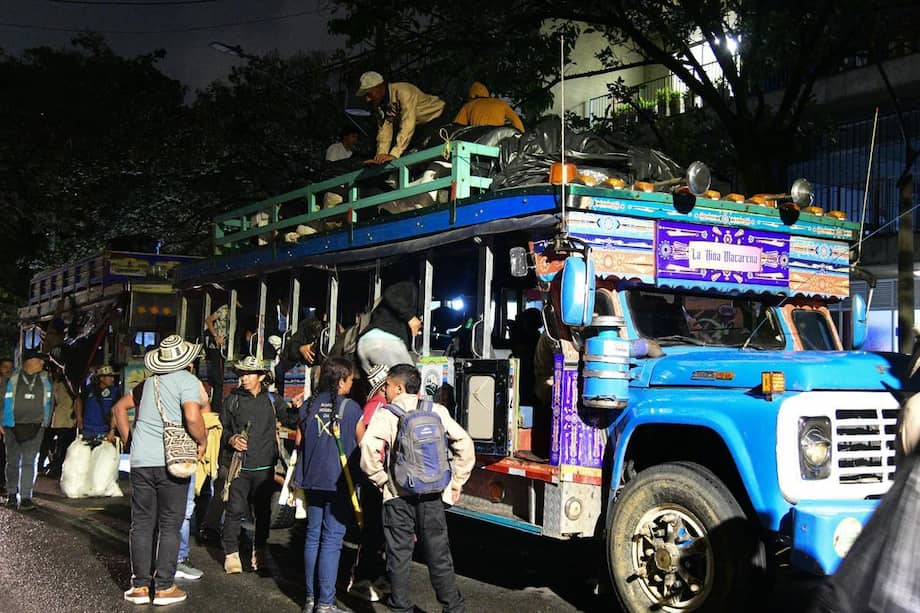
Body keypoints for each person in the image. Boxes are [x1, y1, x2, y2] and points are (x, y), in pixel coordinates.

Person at [359, 364, 475, 613]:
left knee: (399, 556)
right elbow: (465, 443)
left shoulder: (387, 413)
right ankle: (453, 607)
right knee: (439, 555)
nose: (385, 392)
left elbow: (368, 447)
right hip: (432, 495)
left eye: (388, 386)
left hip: (398, 496)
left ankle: (400, 607)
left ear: (399, 386)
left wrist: (380, 479)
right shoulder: (436, 410)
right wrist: (457, 482)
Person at [114, 335, 207, 606]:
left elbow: (119, 408)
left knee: (141, 523)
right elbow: (192, 416)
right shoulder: (188, 381)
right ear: (186, 360)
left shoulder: (146, 385)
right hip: (173, 461)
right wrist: (202, 441)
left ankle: (140, 587)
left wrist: (131, 440)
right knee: (169, 523)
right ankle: (164, 587)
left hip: (141, 461)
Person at [295, 356, 363, 613]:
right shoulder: (352, 409)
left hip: (311, 479)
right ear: (342, 381)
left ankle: (311, 599)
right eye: (350, 380)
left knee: (313, 536)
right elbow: (363, 445)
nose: (352, 384)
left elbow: (300, 442)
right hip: (338, 483)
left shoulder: (309, 405)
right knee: (332, 540)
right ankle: (325, 603)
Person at [220, 356, 289, 575]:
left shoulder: (273, 401)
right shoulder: (232, 401)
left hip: (265, 468)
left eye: (249, 374)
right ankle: (231, 554)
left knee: (263, 513)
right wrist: (231, 439)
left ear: (261, 376)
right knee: (234, 510)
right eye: (241, 374)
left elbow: (289, 421)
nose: (244, 378)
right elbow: (223, 431)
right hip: (240, 468)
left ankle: (259, 551)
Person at [350, 363, 391, 602]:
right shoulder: (376, 406)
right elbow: (365, 442)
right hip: (376, 477)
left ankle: (377, 578)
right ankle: (364, 579)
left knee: (379, 530)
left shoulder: (376, 405)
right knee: (374, 529)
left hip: (378, 477)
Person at [356, 71, 446, 164]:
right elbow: (384, 131)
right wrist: (380, 156)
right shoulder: (381, 106)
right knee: (409, 153)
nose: (367, 99)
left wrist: (394, 154)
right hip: (420, 125)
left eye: (369, 94)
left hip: (438, 117)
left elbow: (407, 123)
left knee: (421, 150)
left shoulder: (403, 91)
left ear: (380, 86)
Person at [1, 349, 53, 511]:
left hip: (36, 427)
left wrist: (45, 422)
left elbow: (50, 402)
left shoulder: (45, 379)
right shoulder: (10, 379)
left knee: (30, 462)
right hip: (11, 427)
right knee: (12, 462)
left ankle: (25, 498)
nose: (43, 363)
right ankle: (11, 494)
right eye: (40, 360)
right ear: (30, 361)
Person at [356, 281, 422, 374]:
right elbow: (390, 292)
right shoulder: (411, 288)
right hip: (385, 342)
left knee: (382, 387)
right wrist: (410, 317)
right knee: (410, 381)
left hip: (365, 344)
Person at [39, 367, 79, 478]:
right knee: (61, 445)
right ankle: (55, 467)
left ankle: (52, 466)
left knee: (57, 444)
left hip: (61, 418)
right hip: (62, 418)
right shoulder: (65, 384)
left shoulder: (57, 384)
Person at [453, 81, 524, 132]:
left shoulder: (468, 105)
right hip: (496, 137)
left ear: (472, 95)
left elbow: (457, 126)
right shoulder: (501, 103)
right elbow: (516, 120)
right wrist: (521, 134)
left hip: (477, 137)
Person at [77, 365, 119, 442]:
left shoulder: (115, 392)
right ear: (101, 378)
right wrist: (79, 417)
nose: (112, 379)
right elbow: (79, 401)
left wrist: (112, 430)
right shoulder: (88, 389)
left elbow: (115, 412)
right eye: (110, 376)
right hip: (87, 430)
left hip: (104, 431)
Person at [0, 356, 14, 497]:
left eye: (10, 367)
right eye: (5, 367)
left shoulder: (15, 383)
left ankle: (4, 483)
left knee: (6, 456)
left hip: (9, 425)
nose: (8, 370)